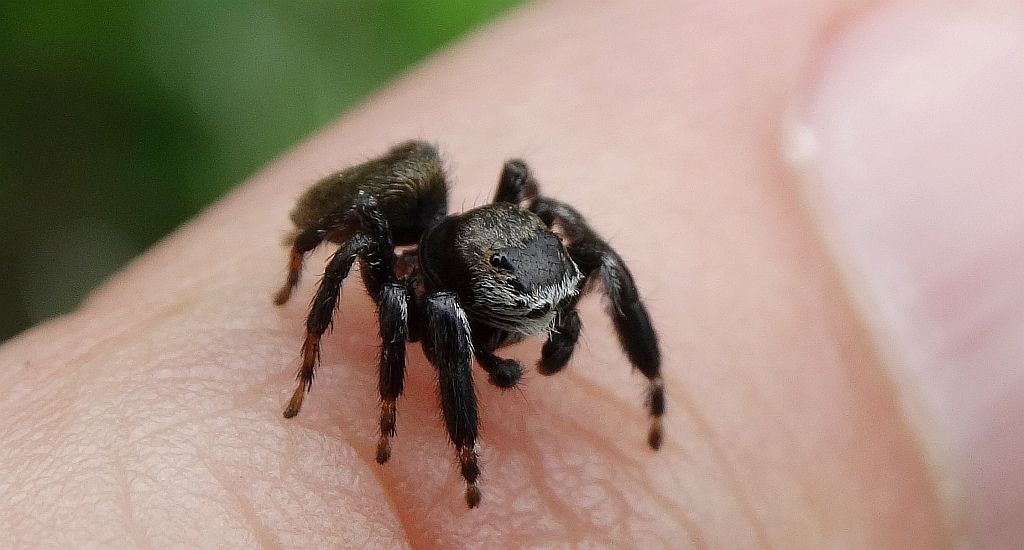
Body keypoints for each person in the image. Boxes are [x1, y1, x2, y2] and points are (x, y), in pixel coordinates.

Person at [2, 0, 1020, 546]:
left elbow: (580, 258)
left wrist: (645, 373)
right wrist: (329, 359)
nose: (542, 306)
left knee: (590, 254)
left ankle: (642, 382)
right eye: (519, 292)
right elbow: (387, 263)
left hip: (470, 244)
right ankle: (462, 445)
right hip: (397, 257)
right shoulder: (409, 273)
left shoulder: (538, 228)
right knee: (415, 282)